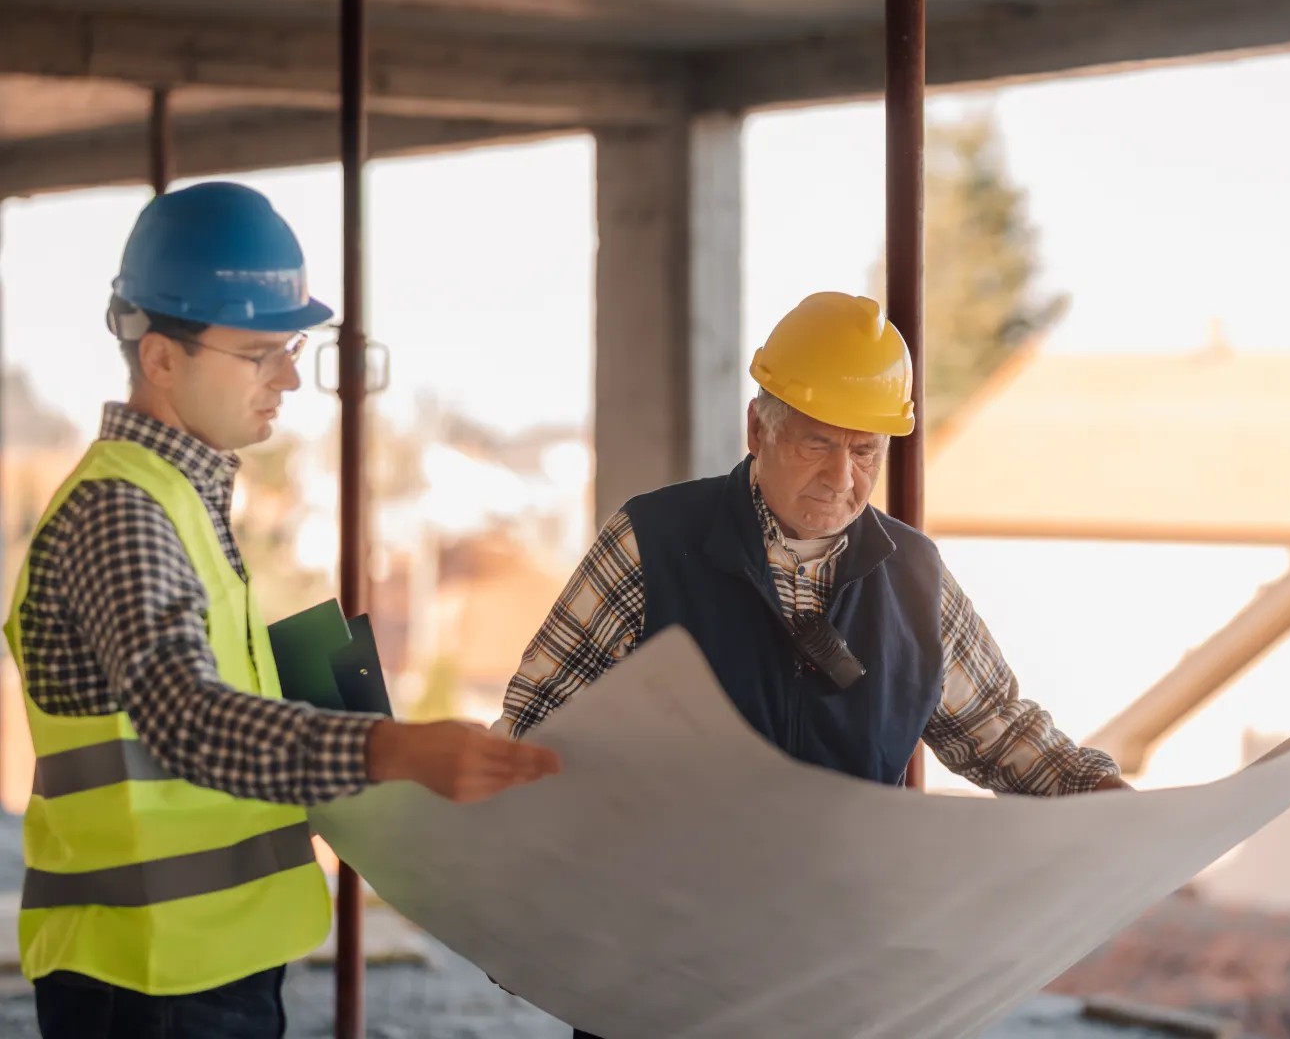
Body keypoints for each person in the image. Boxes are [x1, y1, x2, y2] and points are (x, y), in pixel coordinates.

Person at [6, 181, 563, 1039]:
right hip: (145, 976)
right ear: (160, 358)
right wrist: (391, 749)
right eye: (260, 353)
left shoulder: (180, 501)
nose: (292, 378)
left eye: (291, 347)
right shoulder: (121, 513)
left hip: (203, 965)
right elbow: (185, 720)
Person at [495, 290, 1129, 1039]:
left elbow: (993, 727)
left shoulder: (914, 577)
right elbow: (536, 724)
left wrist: (1104, 798)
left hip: (838, 974)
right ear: (757, 429)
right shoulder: (652, 542)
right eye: (817, 444)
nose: (842, 477)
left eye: (865, 452)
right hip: (664, 967)